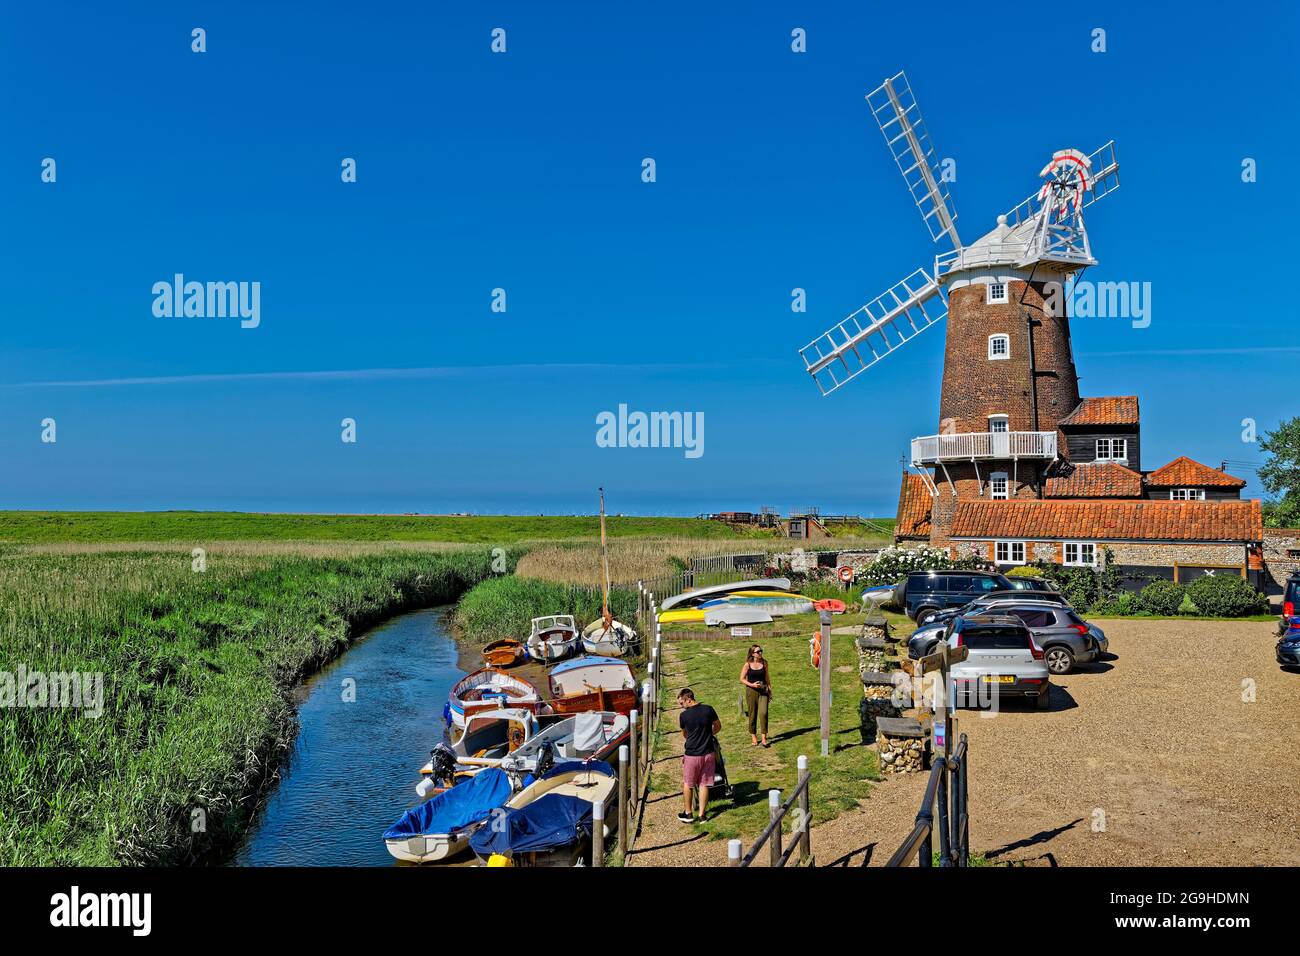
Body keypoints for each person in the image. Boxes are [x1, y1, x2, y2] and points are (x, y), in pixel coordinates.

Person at [677, 688, 721, 823]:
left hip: (692, 754)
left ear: (688, 699)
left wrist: (692, 737)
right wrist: (709, 735)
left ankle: (688, 813)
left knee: (688, 784)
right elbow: (718, 726)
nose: (681, 706)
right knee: (704, 784)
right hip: (708, 753)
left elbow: (685, 734)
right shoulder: (708, 709)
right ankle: (702, 815)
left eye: (681, 703)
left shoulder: (684, 716)